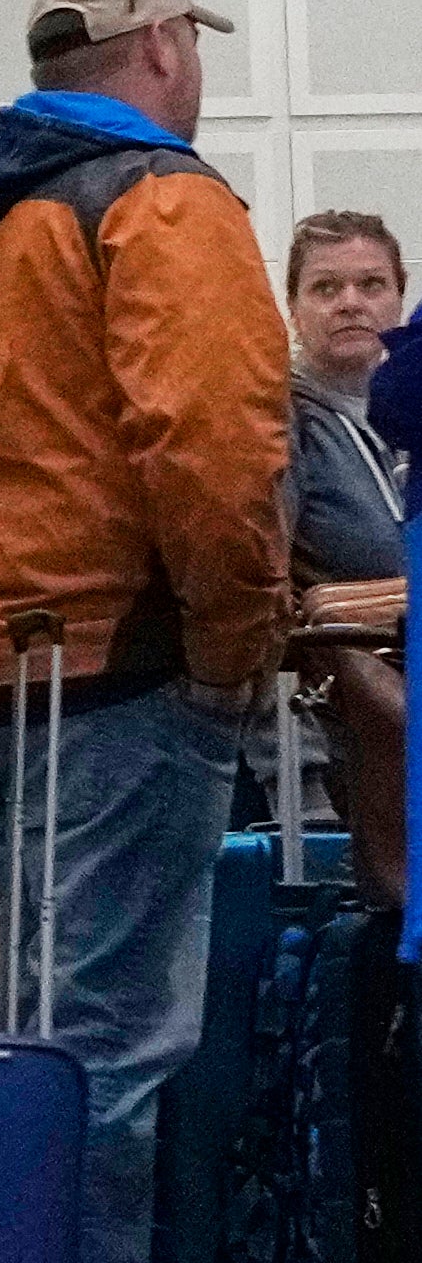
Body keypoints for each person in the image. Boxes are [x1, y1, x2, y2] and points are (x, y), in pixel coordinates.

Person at [0, 0, 302, 1263]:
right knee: (111, 1047)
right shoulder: (159, 199)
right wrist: (235, 642)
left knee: (47, 1029)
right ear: (158, 45)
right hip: (120, 665)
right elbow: (212, 442)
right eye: (188, 45)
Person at [280, 211, 407, 902]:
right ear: (294, 309)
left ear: (399, 297)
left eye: (370, 283)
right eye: (325, 287)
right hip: (327, 744)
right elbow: (267, 584)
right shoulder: (278, 422)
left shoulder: (411, 415)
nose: (351, 301)